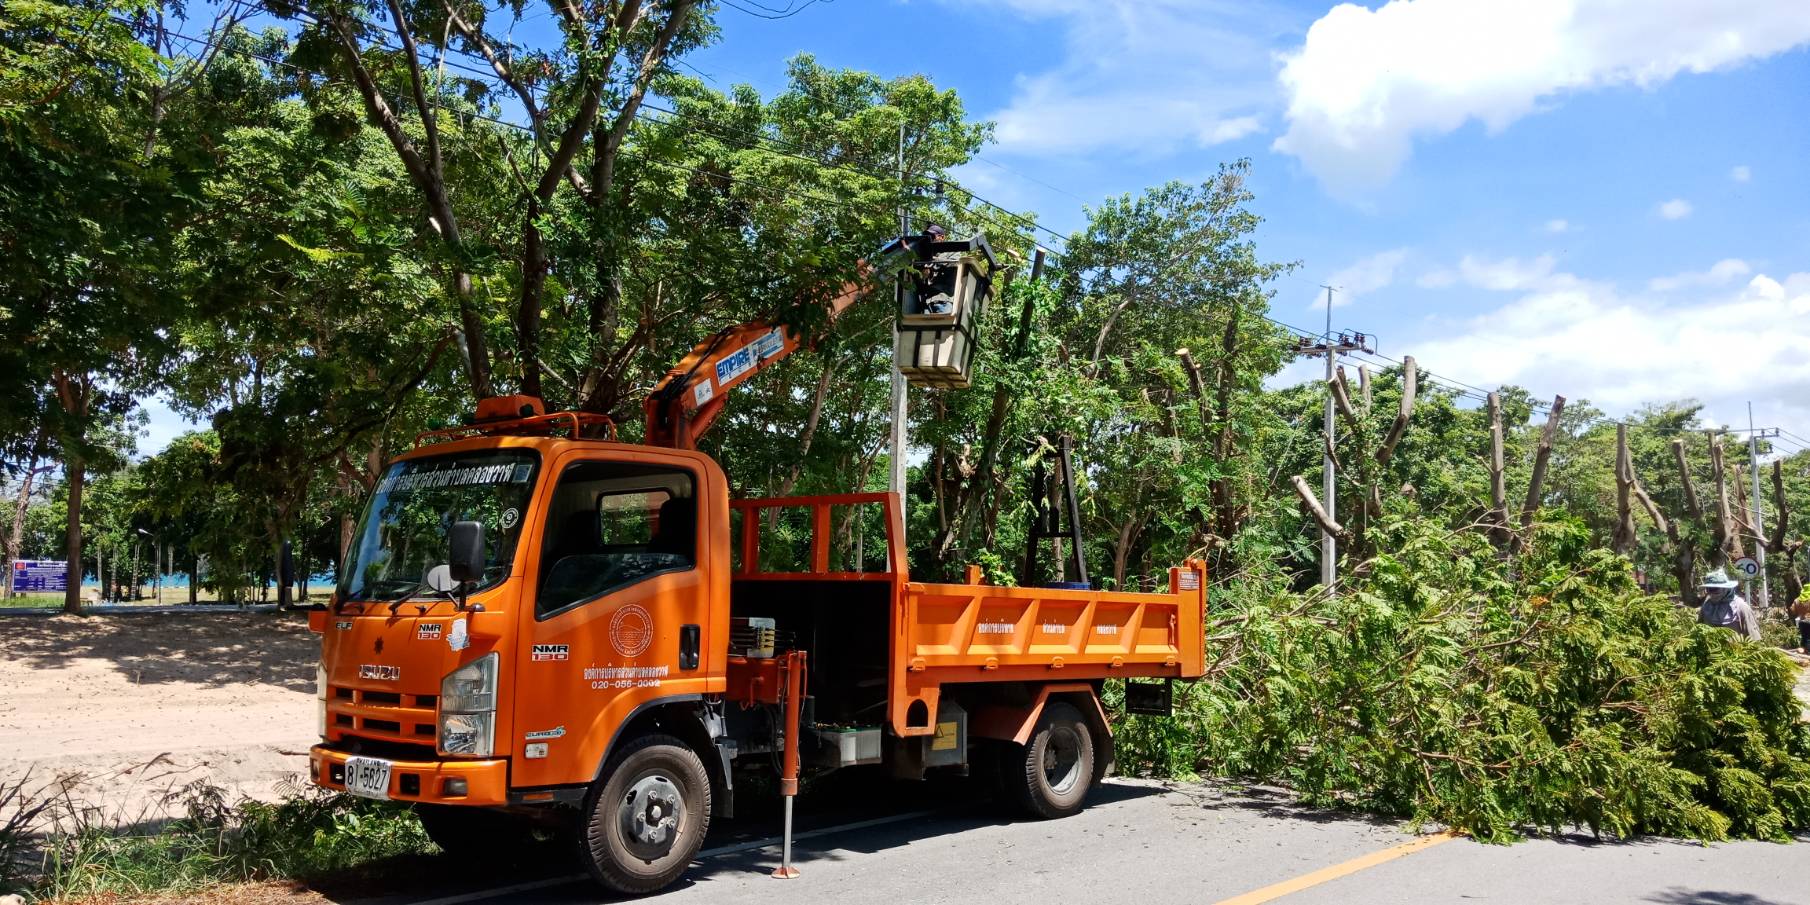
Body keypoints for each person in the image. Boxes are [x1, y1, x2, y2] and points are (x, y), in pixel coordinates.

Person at [1696, 568, 1761, 641]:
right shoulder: (1706, 606)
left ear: (1725, 589)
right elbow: (1699, 631)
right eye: (1709, 589)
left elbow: (1754, 638)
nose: (1712, 593)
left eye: (1715, 589)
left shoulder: (1741, 607)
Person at [1790, 587, 1810, 654]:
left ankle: (1805, 651)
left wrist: (1800, 612)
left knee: (1805, 638)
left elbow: (1792, 610)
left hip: (1802, 621)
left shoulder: (1797, 600)